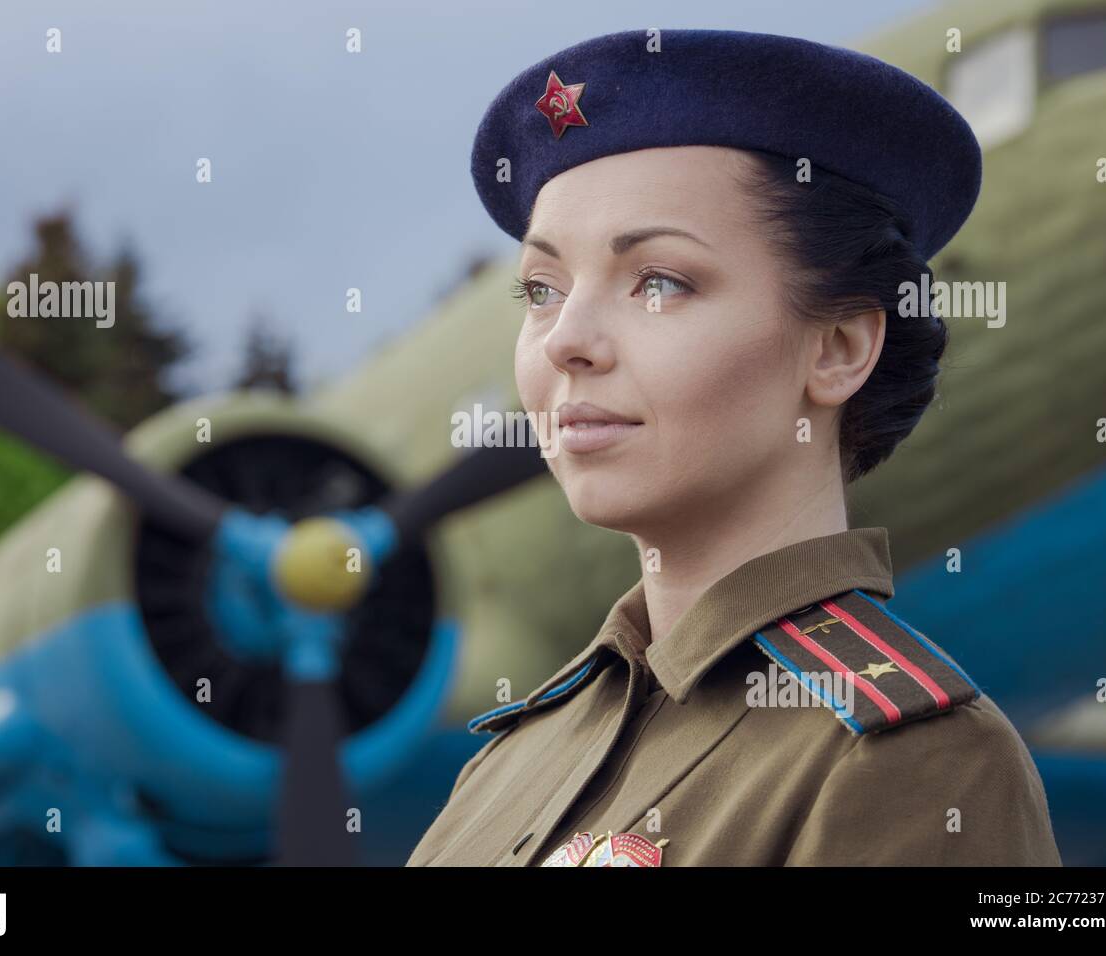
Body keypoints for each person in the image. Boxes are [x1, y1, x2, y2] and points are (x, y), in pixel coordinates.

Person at [406, 29, 1061, 866]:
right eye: (541, 290)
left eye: (659, 282)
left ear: (838, 349)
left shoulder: (912, 765)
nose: (566, 340)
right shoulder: (501, 766)